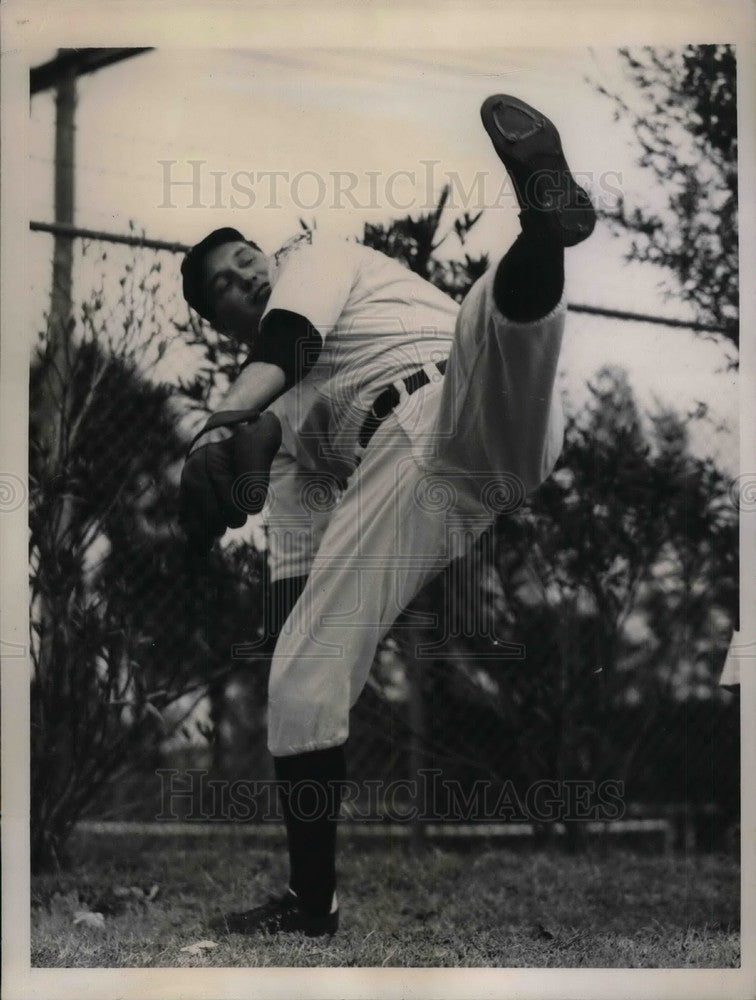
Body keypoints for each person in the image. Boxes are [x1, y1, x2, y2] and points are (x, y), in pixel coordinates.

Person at [179, 94, 596, 936]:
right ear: (219, 323)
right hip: (418, 479)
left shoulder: (315, 258)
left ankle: (544, 218)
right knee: (299, 676)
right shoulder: (280, 425)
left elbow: (290, 343)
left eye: (244, 258)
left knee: (485, 318)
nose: (244, 277)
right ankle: (311, 903)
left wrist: (214, 425)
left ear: (268, 253)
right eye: (223, 285)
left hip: (464, 405)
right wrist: (302, 645)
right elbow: (296, 562)